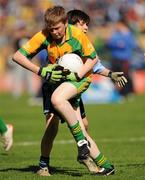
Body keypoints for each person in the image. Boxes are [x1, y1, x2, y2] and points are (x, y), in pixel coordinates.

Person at [36, 9, 127, 176]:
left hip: (72, 89)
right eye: (82, 23)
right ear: (70, 25)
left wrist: (111, 74)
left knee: (83, 126)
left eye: (87, 24)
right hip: (54, 88)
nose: (86, 27)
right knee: (51, 127)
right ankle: (44, 165)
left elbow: (94, 64)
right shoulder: (57, 41)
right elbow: (50, 64)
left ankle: (100, 163)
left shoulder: (81, 41)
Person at [106, 17, 139, 98]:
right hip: (115, 59)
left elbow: (132, 45)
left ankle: (128, 93)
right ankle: (119, 93)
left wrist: (120, 44)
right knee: (115, 76)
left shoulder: (129, 34)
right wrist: (119, 44)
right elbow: (109, 44)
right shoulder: (115, 34)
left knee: (125, 76)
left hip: (125, 59)